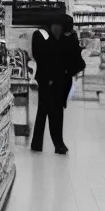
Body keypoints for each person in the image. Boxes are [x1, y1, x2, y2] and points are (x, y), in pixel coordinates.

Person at [31, 14, 82, 154]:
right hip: (50, 79)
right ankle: (57, 144)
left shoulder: (61, 38)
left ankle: (39, 144)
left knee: (46, 111)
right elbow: (42, 57)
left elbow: (67, 57)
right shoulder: (44, 36)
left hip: (56, 80)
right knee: (53, 113)